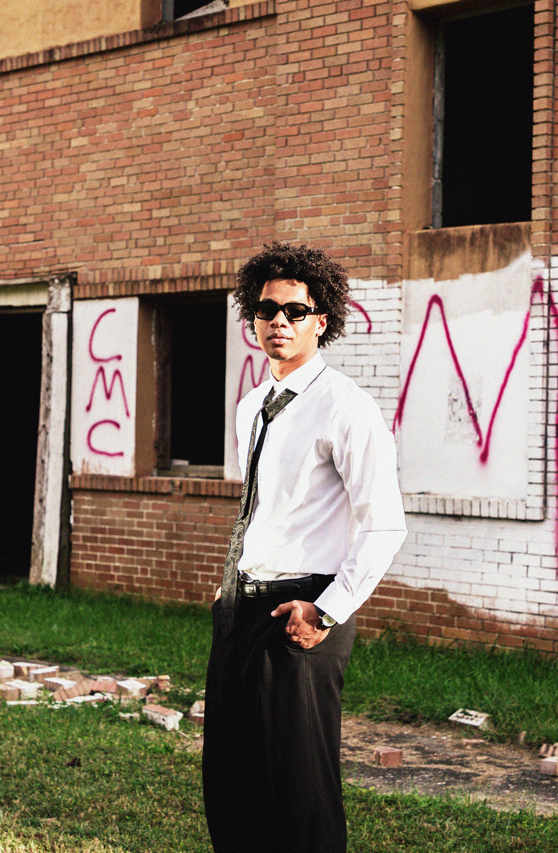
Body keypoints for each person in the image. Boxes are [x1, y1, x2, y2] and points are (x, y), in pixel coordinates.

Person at [203, 242, 407, 853]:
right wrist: (229, 587)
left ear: (322, 321)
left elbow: (384, 524)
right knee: (231, 780)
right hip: (244, 606)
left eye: (294, 311)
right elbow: (266, 509)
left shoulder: (346, 408)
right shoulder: (251, 409)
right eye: (266, 310)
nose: (278, 323)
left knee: (297, 788)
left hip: (304, 611)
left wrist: (328, 608)